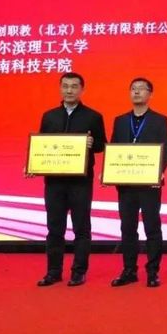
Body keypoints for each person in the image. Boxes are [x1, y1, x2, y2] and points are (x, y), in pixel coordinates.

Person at [35, 72, 106, 287]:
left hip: (80, 182)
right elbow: (41, 147)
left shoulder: (93, 116)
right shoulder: (49, 116)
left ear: (82, 90)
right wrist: (33, 165)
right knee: (54, 228)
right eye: (65, 86)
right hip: (54, 182)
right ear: (60, 88)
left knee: (81, 228)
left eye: (74, 86)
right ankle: (53, 271)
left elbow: (102, 145)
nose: (69, 90)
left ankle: (78, 271)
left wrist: (92, 144)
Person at [109, 78, 167, 288]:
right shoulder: (120, 120)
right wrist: (109, 172)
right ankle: (129, 270)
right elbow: (114, 148)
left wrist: (158, 172)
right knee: (128, 228)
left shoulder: (159, 120)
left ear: (150, 94)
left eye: (141, 89)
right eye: (133, 89)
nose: (136, 92)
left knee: (152, 227)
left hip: (149, 184)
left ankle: (153, 271)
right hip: (126, 184)